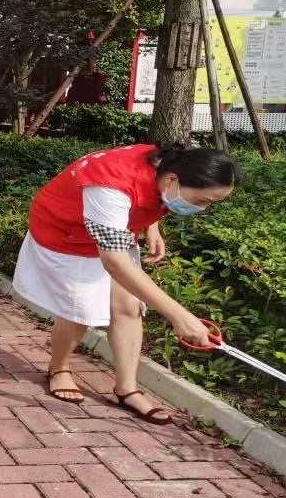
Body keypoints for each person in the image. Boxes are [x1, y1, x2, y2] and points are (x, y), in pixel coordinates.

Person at [13, 142, 237, 424]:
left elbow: (148, 191)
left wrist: (151, 225)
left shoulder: (166, 161)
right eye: (202, 201)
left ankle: (126, 389)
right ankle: (58, 368)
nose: (203, 209)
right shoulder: (111, 186)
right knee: (79, 311)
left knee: (129, 306)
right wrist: (180, 316)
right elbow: (115, 262)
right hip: (66, 232)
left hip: (113, 230)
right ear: (172, 180)